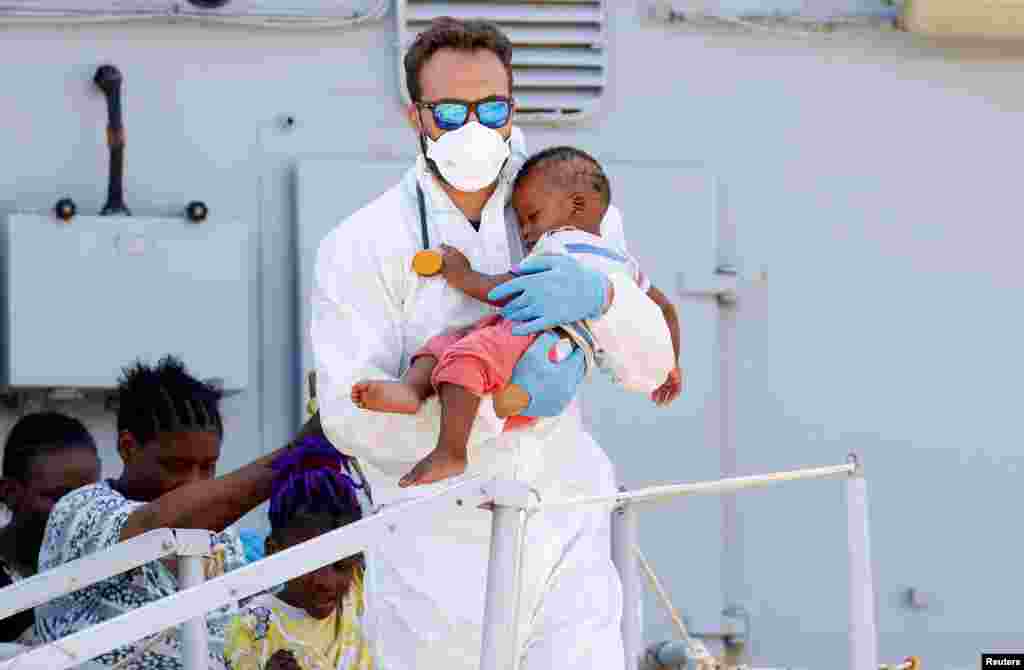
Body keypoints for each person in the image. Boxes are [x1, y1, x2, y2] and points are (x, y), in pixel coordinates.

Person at [311, 17, 675, 670]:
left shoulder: (571, 206)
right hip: (437, 556)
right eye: (450, 110)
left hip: (566, 537)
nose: (474, 127)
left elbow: (650, 369)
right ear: (414, 115)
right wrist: (499, 417)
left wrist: (606, 300)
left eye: (493, 107)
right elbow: (347, 418)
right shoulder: (360, 245)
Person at [351, 146, 682, 488]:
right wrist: (671, 363)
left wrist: (461, 273)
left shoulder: (560, 244)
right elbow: (665, 309)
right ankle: (410, 390)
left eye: (532, 216)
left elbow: (502, 289)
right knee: (447, 345)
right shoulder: (625, 263)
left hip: (540, 336)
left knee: (464, 357)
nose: (525, 231)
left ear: (578, 205)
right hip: (527, 333)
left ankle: (450, 449)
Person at [36, 355, 323, 670]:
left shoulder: (221, 535)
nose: (195, 481)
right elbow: (155, 526)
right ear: (128, 447)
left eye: (208, 466)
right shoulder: (81, 508)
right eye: (176, 466)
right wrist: (299, 454)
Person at [224, 442, 372, 670]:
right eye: (311, 564)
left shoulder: (357, 594)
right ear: (274, 551)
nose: (326, 582)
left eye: (341, 566)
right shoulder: (252, 626)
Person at [0, 412, 101, 643]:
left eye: (90, 496)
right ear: (10, 493)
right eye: (60, 497)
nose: (80, 511)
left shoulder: (109, 567)